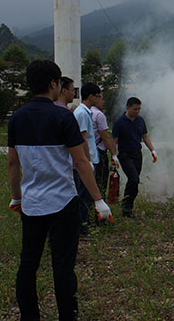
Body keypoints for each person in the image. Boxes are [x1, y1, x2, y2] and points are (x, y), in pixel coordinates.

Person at [7, 60, 111, 320]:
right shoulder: (62, 116)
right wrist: (98, 200)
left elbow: (12, 163)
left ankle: (29, 316)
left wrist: (16, 198)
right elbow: (81, 162)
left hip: (31, 204)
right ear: (54, 84)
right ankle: (67, 316)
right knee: (63, 267)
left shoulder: (17, 118)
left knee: (28, 265)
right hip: (63, 204)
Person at [112, 97, 157, 217]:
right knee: (134, 179)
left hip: (137, 154)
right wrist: (113, 155)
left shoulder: (140, 120)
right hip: (125, 155)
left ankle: (128, 204)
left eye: (139, 109)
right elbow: (114, 140)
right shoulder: (119, 122)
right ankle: (126, 207)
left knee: (135, 181)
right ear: (127, 108)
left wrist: (152, 150)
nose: (137, 111)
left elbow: (145, 136)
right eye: (135, 109)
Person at [73, 82, 103, 234]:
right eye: (98, 96)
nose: (100, 99)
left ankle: (85, 221)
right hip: (87, 160)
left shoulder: (86, 112)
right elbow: (82, 138)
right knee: (84, 194)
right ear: (91, 96)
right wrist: (88, 161)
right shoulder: (82, 113)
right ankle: (82, 225)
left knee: (87, 195)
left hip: (91, 158)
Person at [91, 93, 118, 198]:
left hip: (89, 151)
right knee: (101, 179)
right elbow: (105, 137)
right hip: (99, 152)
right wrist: (113, 155)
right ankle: (100, 202)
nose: (103, 102)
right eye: (102, 99)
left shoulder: (85, 111)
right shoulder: (99, 115)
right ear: (95, 98)